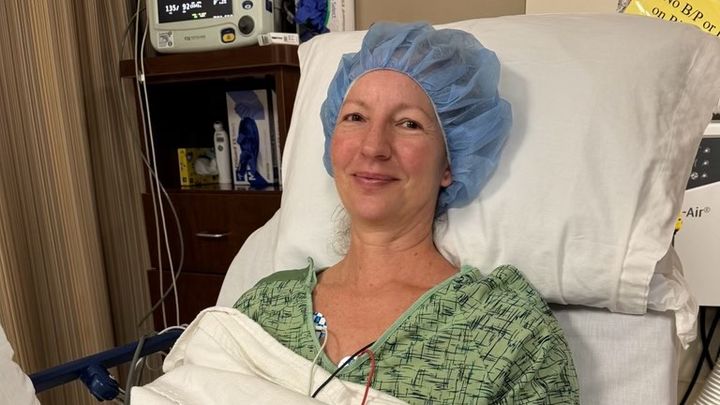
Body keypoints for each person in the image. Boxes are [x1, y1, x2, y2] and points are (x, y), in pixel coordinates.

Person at [235, 22, 579, 404]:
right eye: (355, 117)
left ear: (449, 164)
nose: (373, 147)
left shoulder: (507, 333)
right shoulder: (263, 307)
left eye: (408, 124)